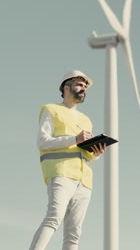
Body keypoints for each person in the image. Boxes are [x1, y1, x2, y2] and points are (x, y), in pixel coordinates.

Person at [29, 70, 107, 250]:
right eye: (80, 85)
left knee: (74, 234)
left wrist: (96, 152)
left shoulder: (86, 120)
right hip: (61, 173)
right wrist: (74, 139)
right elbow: (42, 141)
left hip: (84, 180)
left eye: (85, 87)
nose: (84, 89)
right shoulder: (51, 109)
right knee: (53, 217)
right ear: (66, 86)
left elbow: (84, 153)